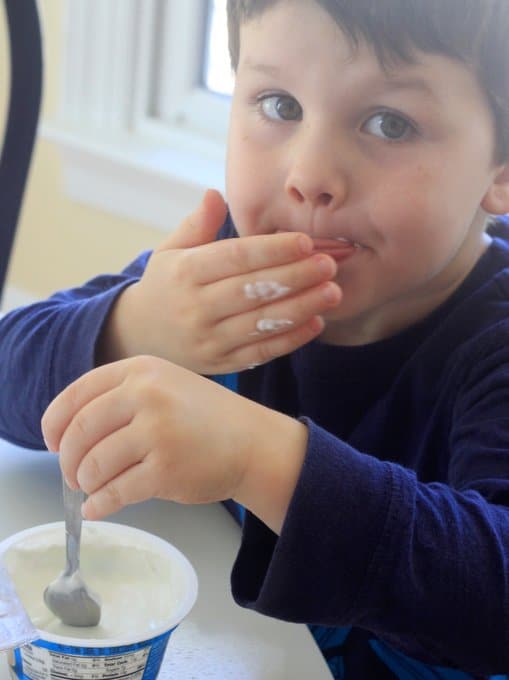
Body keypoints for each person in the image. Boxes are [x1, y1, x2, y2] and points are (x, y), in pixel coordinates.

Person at [1, 0, 509, 676]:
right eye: (279, 105)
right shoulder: (229, 272)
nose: (309, 176)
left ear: (499, 170)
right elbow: (9, 374)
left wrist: (261, 460)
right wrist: (132, 329)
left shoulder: (494, 341)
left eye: (389, 123)